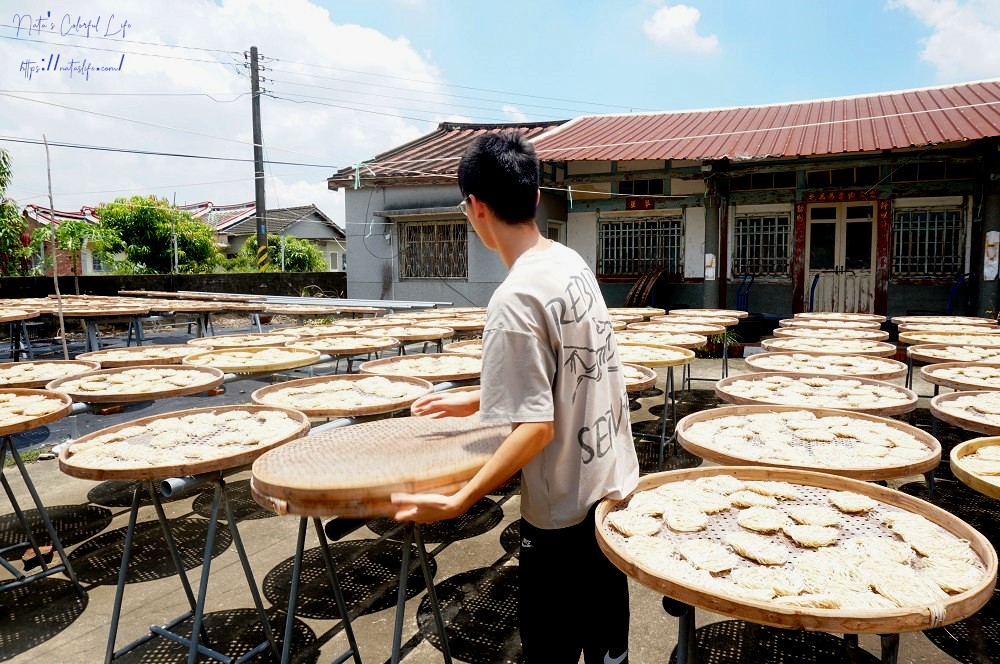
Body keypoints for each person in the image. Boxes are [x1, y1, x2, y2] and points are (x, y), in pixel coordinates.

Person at [391, 130, 640, 664]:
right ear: (534, 197)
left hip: (563, 518)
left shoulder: (513, 300)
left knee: (550, 651)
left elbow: (537, 428)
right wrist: (479, 399)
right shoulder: (571, 264)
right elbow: (567, 375)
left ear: (474, 207)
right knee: (606, 646)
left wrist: (462, 498)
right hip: (611, 492)